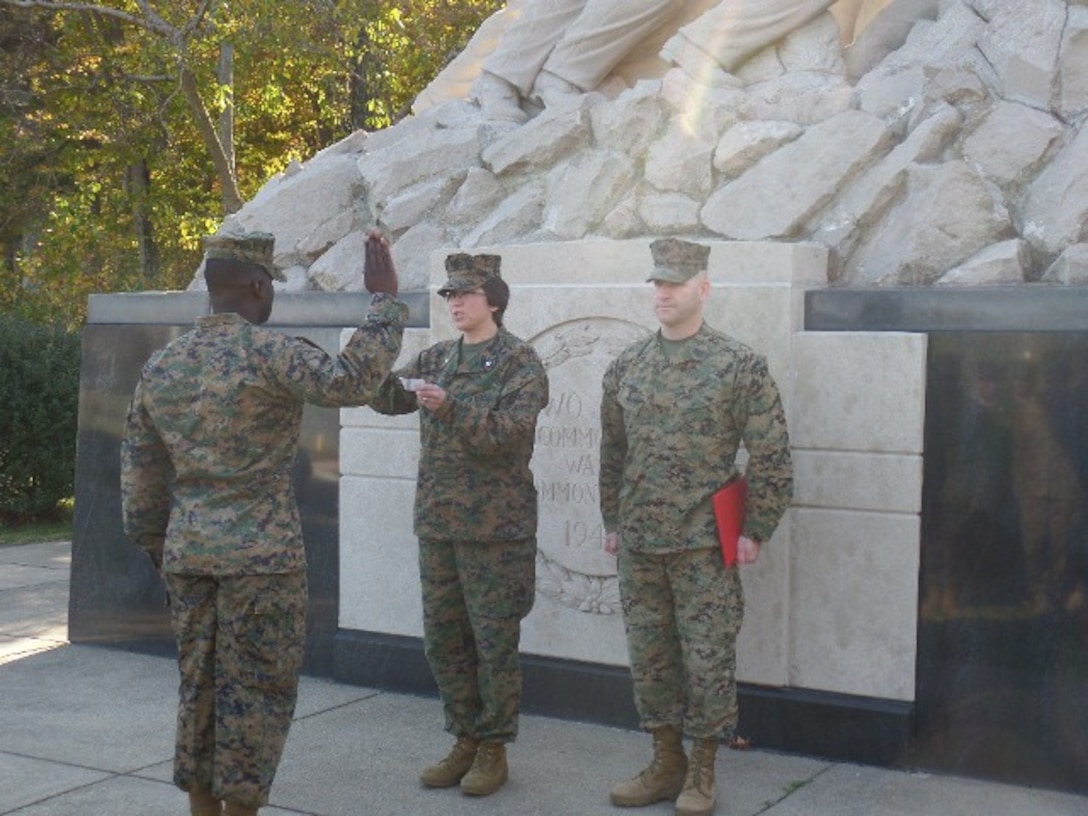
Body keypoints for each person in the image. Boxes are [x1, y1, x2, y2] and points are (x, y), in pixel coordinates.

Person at [120, 229, 406, 816]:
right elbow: (352, 381)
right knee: (258, 696)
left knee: (198, 687)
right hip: (263, 563)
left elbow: (140, 475)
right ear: (256, 285)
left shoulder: (163, 366)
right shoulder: (271, 355)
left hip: (189, 555)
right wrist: (383, 303)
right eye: (269, 284)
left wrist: (158, 543)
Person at [598, 238, 792, 816]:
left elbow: (772, 454)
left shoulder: (737, 366)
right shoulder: (627, 366)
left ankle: (703, 769)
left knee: (707, 659)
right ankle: (665, 761)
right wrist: (612, 520)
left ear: (702, 289)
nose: (663, 293)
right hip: (641, 543)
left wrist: (755, 528)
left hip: (705, 546)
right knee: (651, 656)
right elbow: (613, 452)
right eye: (657, 283)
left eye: (675, 284)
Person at [369, 253, 549, 797]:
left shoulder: (521, 363)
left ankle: (494, 747)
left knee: (493, 642)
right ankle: (464, 737)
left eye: (465, 294)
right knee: (444, 640)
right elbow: (381, 397)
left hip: (496, 530)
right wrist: (376, 346)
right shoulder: (439, 358)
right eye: (449, 296)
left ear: (493, 300)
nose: (455, 304)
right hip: (439, 524)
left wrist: (450, 407)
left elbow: (507, 438)